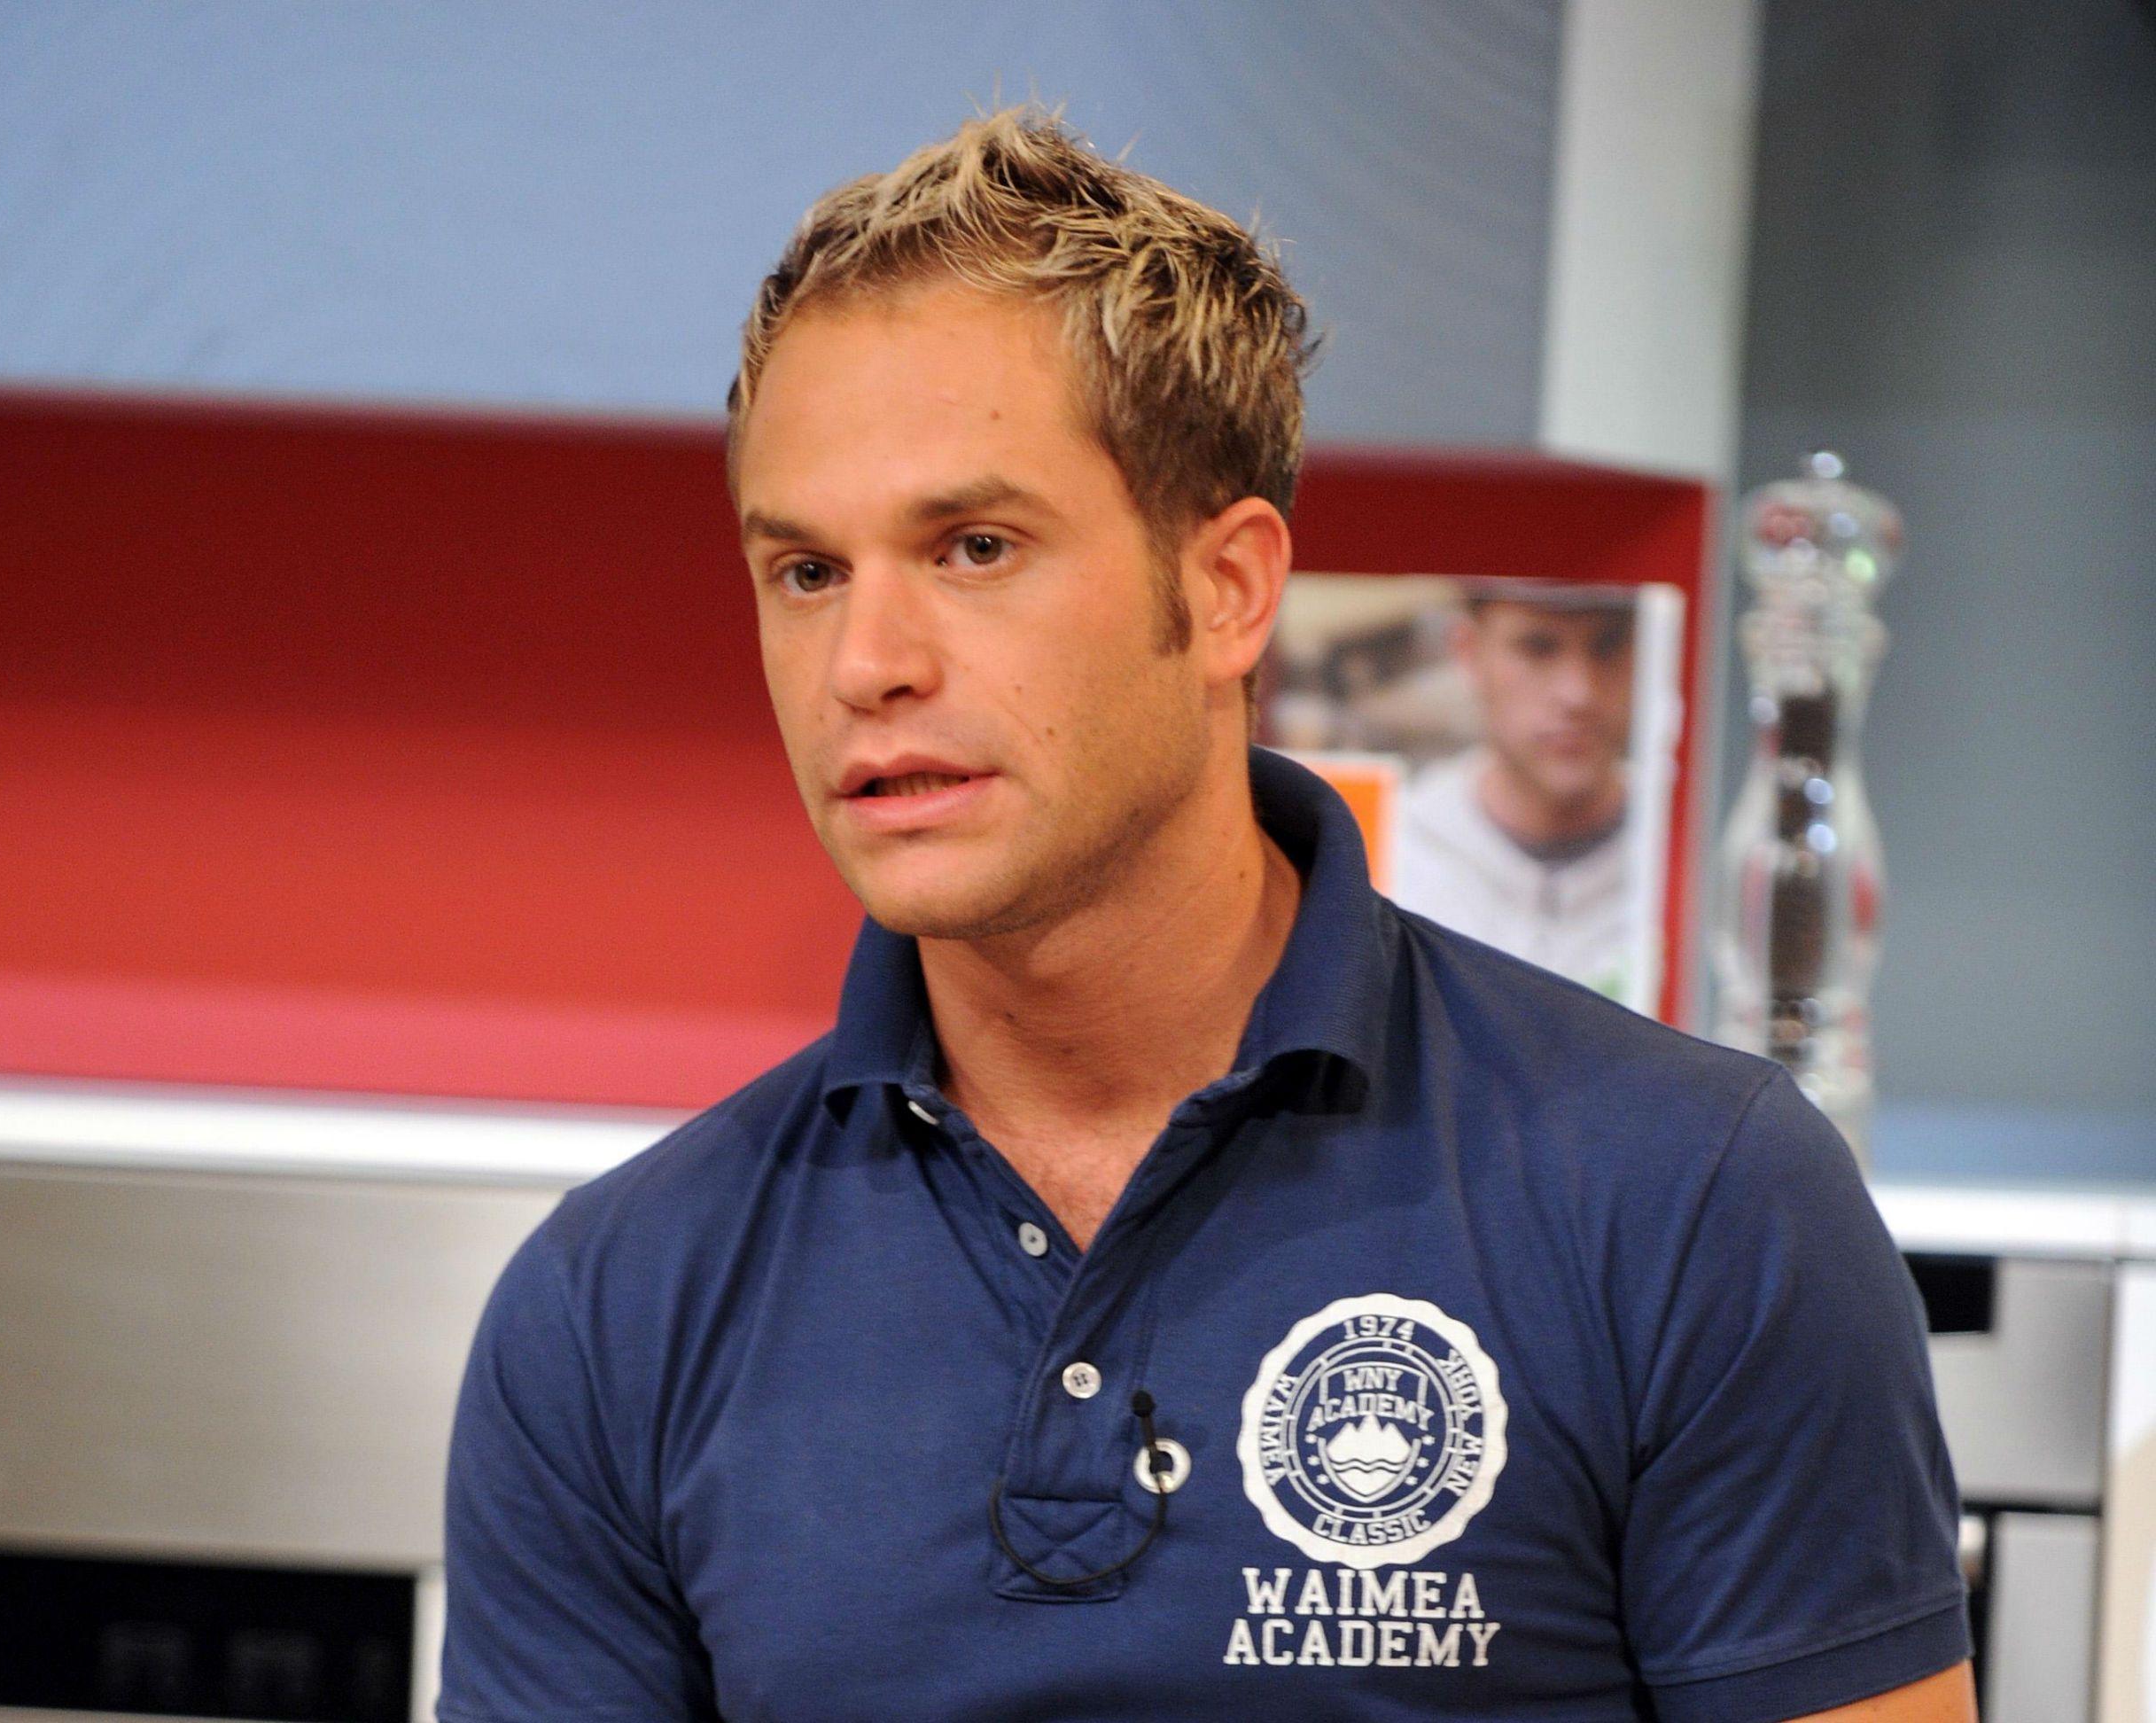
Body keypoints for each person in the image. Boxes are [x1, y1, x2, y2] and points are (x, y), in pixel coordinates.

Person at [438, 109, 1973, 1720]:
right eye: (806, 571)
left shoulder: (1693, 1201)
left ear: (1228, 587)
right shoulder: (615, 1303)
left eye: (975, 547)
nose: (865, 664)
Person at [1394, 586, 1639, 1001]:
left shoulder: (1691, 853)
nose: (1579, 693)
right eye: (1538, 647)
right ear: (1469, 652)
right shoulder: (1396, 856)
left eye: (1608, 645)